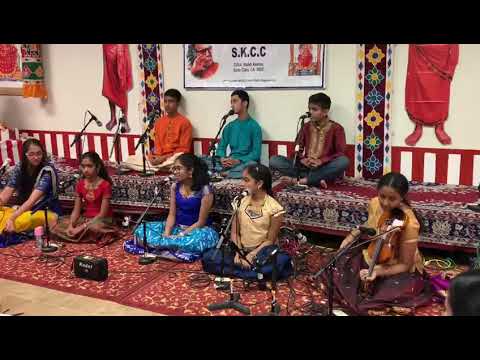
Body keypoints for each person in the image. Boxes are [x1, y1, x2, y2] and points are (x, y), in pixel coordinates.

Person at [317, 172, 432, 316]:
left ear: (402, 198)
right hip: (373, 254)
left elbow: (405, 265)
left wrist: (377, 271)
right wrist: (349, 238)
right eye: (382, 196)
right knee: (333, 263)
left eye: (392, 199)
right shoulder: (374, 203)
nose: (385, 203)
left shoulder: (410, 223)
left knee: (382, 295)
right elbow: (369, 225)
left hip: (395, 267)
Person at [202, 164, 293, 280]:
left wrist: (251, 255)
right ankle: (252, 274)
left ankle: (241, 271)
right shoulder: (240, 202)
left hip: (261, 252)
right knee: (209, 257)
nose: (242, 184)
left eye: (246, 180)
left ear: (259, 184)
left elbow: (270, 240)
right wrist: (238, 253)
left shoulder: (275, 208)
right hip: (240, 249)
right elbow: (234, 233)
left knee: (279, 262)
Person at [128, 154, 218, 255]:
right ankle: (169, 245)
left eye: (178, 168)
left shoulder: (205, 190)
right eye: (174, 169)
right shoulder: (175, 186)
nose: (174, 172)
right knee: (142, 230)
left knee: (196, 241)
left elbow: (201, 222)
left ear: (190, 171)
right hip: (177, 227)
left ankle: (163, 245)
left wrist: (181, 235)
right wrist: (167, 233)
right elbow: (172, 214)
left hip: (196, 231)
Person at [270, 92, 349, 189]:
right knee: (274, 160)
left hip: (324, 167)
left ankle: (301, 180)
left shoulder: (337, 128)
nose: (310, 112)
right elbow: (296, 148)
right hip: (306, 168)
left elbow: (341, 153)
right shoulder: (306, 126)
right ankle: (318, 180)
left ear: (325, 111)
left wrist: (321, 161)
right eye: (309, 109)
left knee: (343, 161)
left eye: (314, 109)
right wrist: (302, 159)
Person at [51, 152, 117, 243]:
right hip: (85, 219)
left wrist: (80, 228)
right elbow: (76, 210)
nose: (85, 170)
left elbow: (102, 214)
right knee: (55, 225)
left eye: (90, 166)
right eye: (83, 166)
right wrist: (71, 225)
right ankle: (89, 237)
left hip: (101, 221)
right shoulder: (80, 184)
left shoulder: (105, 185)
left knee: (95, 228)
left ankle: (86, 235)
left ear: (97, 167)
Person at [0, 138, 61, 234]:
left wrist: (12, 218)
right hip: (23, 209)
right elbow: (6, 193)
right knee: (2, 214)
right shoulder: (20, 167)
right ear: (25, 155)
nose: (36, 157)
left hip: (44, 211)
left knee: (17, 221)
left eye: (39, 153)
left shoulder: (47, 171)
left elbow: (31, 201)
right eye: (31, 154)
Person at [203, 89, 262, 179]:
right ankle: (228, 172)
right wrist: (223, 158)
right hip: (228, 162)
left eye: (235, 101)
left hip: (243, 163)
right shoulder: (229, 126)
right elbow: (221, 148)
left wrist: (238, 160)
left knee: (253, 166)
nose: (231, 105)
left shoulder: (254, 127)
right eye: (231, 102)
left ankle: (225, 173)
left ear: (245, 103)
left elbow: (256, 153)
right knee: (201, 159)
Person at [149, 89, 193, 168]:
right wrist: (155, 158)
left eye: (171, 101)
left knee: (179, 160)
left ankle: (160, 167)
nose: (167, 104)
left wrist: (163, 158)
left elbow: (184, 149)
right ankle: (158, 166)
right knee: (132, 159)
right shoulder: (159, 122)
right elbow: (157, 144)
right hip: (160, 157)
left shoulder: (185, 123)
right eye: (165, 101)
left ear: (178, 103)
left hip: (174, 157)